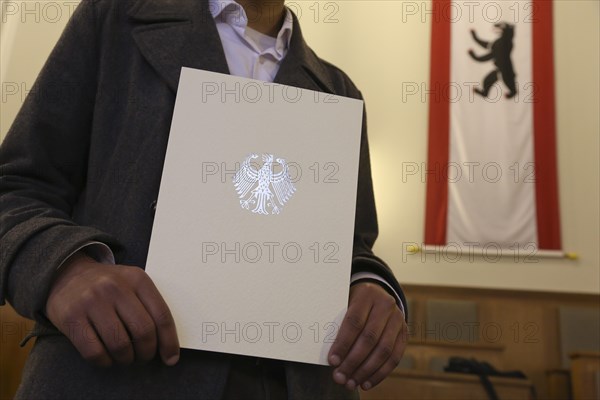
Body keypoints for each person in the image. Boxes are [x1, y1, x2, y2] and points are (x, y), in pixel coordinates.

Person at [0, 0, 408, 398]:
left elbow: (352, 244)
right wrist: (65, 272)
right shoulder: (112, 20)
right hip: (115, 376)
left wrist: (369, 285)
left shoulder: (339, 91)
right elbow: (16, 185)